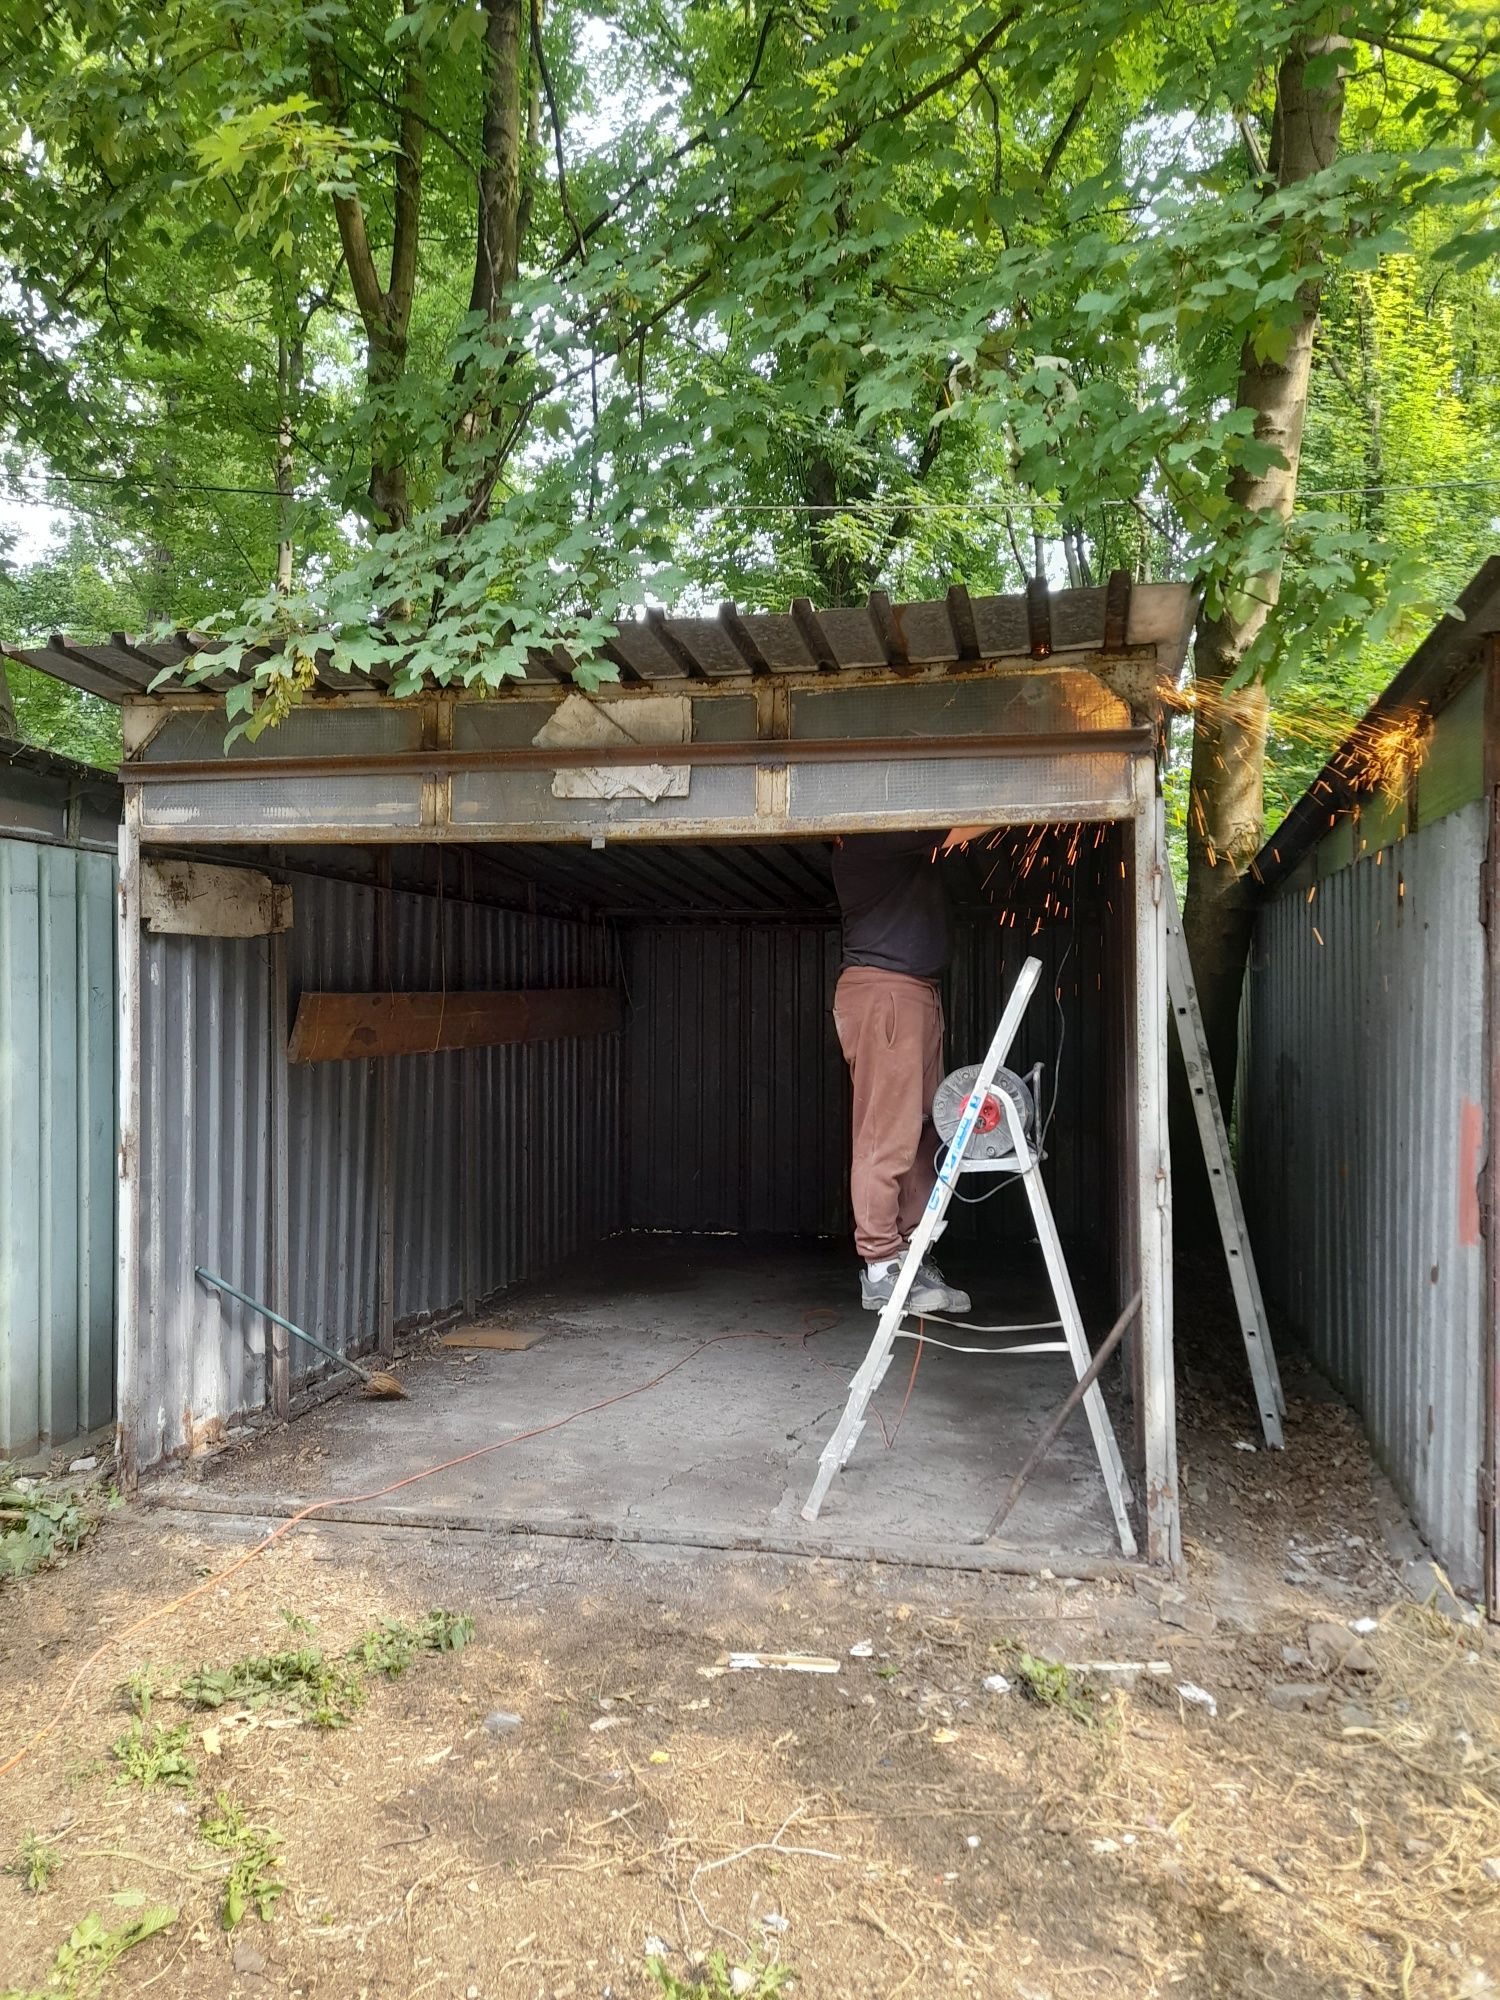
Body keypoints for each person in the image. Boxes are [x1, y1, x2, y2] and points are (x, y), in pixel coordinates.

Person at [830, 828, 987, 1314]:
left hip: (914, 992)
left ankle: (910, 1254)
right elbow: (958, 828)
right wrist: (1021, 802)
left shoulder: (895, 847)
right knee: (887, 1133)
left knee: (925, 1128)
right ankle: (880, 1265)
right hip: (887, 993)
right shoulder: (865, 838)